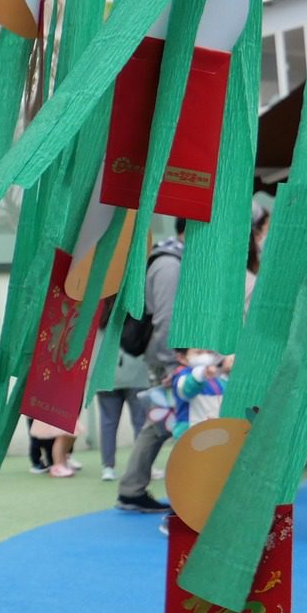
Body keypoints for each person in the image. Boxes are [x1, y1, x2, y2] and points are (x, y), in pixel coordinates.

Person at [115, 219, 184, 513]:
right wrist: (173, 365)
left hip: (168, 358)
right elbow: (166, 320)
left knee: (158, 422)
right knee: (166, 422)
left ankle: (131, 488)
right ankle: (134, 489)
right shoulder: (171, 265)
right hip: (170, 359)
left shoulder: (167, 259)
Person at [97, 351, 150, 482]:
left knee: (108, 422)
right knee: (140, 423)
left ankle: (108, 467)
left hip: (105, 371)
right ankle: (142, 467)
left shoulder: (98, 329)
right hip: (137, 372)